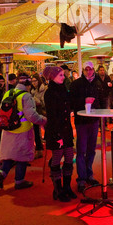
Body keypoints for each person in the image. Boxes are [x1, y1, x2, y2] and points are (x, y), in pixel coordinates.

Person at [0, 72, 47, 190]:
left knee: (9, 156)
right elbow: (31, 116)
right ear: (28, 84)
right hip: (22, 130)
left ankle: (1, 174)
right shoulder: (26, 96)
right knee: (22, 157)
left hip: (8, 129)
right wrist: (44, 120)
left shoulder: (8, 93)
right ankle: (19, 181)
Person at [43, 66, 76, 202]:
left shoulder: (63, 89)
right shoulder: (49, 93)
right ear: (52, 76)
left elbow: (69, 105)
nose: (63, 77)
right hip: (56, 130)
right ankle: (58, 189)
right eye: (61, 75)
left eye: (63, 75)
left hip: (66, 128)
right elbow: (52, 116)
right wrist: (58, 135)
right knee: (57, 157)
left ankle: (67, 187)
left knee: (69, 156)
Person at [70, 61, 103, 193]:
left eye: (90, 69)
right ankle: (81, 178)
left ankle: (89, 174)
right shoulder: (76, 84)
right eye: (86, 69)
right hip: (82, 121)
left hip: (94, 120)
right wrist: (84, 101)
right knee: (81, 149)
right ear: (83, 70)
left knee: (91, 149)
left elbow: (102, 99)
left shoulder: (98, 83)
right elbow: (72, 101)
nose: (89, 71)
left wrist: (98, 109)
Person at [31, 73, 47, 158]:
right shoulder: (33, 90)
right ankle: (39, 148)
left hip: (42, 111)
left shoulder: (43, 89)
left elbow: (44, 102)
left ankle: (40, 148)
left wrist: (37, 100)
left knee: (41, 130)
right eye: (32, 81)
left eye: (35, 81)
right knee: (36, 131)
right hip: (36, 112)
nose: (33, 83)